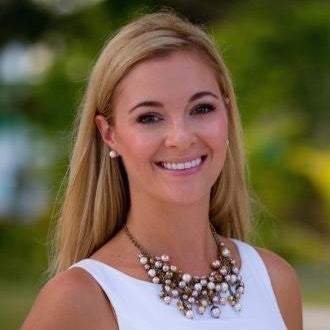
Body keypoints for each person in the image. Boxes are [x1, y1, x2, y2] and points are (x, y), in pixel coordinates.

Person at [22, 11, 302, 330]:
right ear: (109, 133)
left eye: (201, 109)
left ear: (227, 111)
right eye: (149, 117)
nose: (181, 139)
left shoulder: (275, 281)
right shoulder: (81, 300)